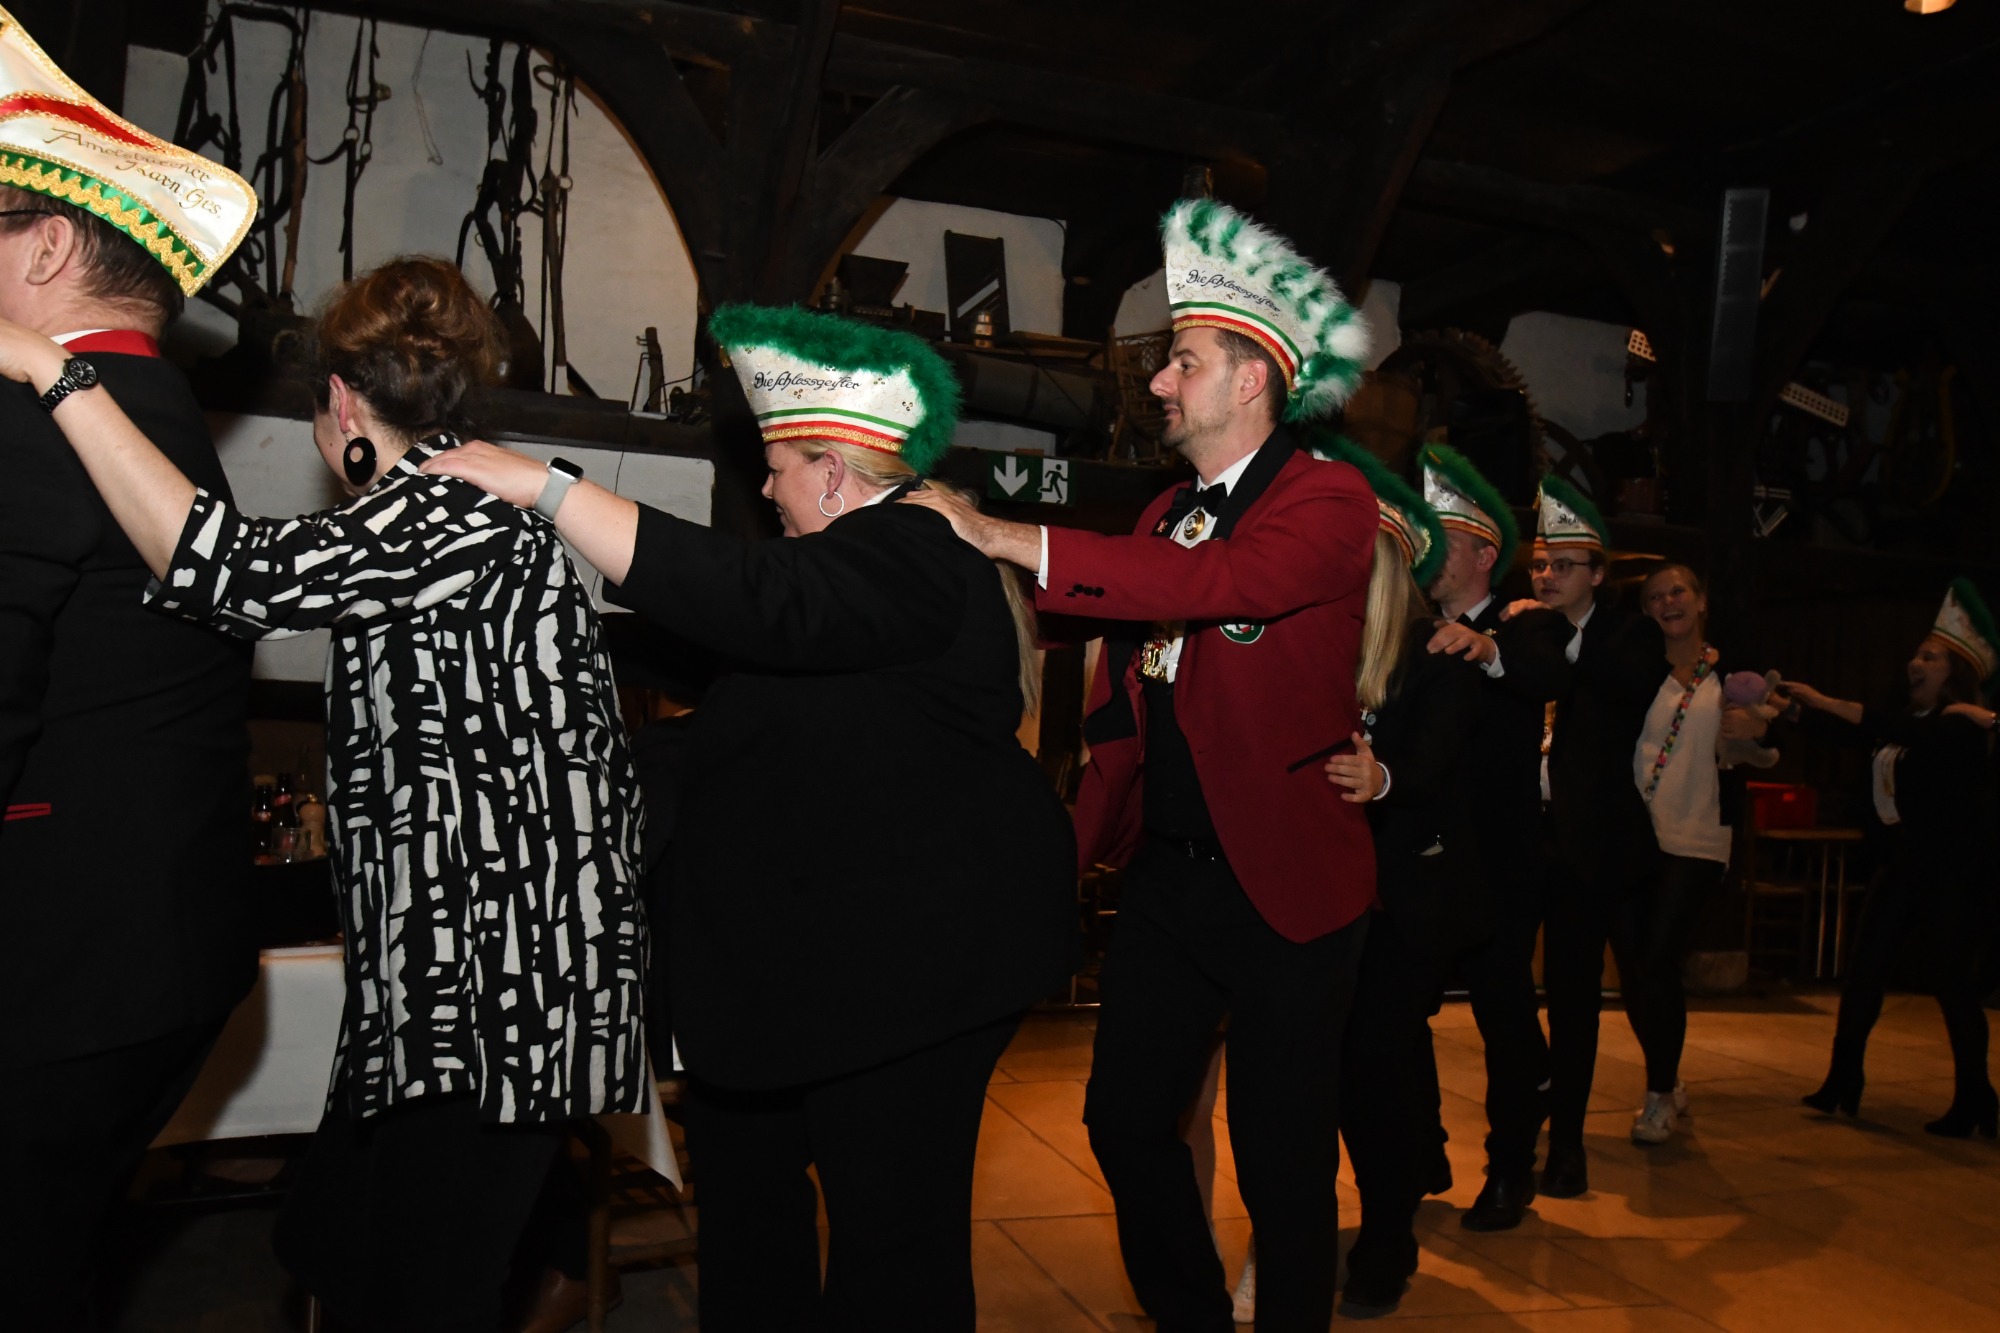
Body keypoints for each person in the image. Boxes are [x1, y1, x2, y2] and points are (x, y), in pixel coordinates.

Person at [0, 255, 651, 1333]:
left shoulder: (445, 511)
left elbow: (220, 573)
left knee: (419, 1292)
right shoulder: (454, 509)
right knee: (331, 1241)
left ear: (341, 405)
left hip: (497, 993)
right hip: (453, 985)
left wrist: (53, 369)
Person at [425, 302, 1079, 1332]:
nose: (765, 490)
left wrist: (548, 489)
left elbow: (759, 598)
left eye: (777, 470)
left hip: (913, 977)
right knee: (743, 1207)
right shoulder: (837, 585)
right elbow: (733, 680)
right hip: (792, 970)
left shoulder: (915, 543)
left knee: (890, 1246)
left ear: (833, 473)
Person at [905, 198, 1377, 1333]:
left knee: (1281, 1156)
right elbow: (1097, 613)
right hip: (1169, 877)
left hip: (1288, 885)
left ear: (1251, 379)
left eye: (1183, 361)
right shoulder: (1167, 508)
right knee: (1122, 1120)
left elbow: (1220, 586)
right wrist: (925, 557)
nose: (1160, 382)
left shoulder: (1328, 497)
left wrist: (1007, 533)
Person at [0, 23, 262, 1326]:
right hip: (152, 959)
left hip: (53, 964)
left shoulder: (35, 409)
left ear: (47, 247)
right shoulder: (159, 422)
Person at [1314, 439, 1478, 1316]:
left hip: (1405, 898)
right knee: (1342, 1071)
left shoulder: (1436, 655)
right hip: (1325, 897)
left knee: (1376, 1066)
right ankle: (1378, 1199)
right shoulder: (1321, 643)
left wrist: (1381, 778)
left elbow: (1432, 768)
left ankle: (1387, 1238)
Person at [1415, 443, 1574, 1232]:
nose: (1426, 552)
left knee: (1504, 1020)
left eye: (1441, 539)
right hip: (1418, 865)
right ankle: (1418, 1151)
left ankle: (1511, 1167)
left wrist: (1490, 652)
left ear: (1484, 554)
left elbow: (1547, 674)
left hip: (1497, 868)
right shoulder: (1408, 629)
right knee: (1391, 1013)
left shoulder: (1526, 624)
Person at [1781, 580, 1998, 1138]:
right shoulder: (1911, 722)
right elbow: (1859, 735)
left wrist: (1824, 700)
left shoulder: (1960, 727)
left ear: (1956, 672)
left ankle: (1976, 1097)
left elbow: (1880, 724)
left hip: (1950, 873)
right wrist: (1791, 710)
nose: (1913, 664)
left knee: (1953, 984)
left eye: (1929, 657)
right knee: (1865, 973)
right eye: (1916, 655)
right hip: (1901, 866)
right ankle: (1842, 1079)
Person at [1510, 477, 1664, 1198]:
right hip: (1520, 835)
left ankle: (1566, 1143)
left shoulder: (1628, 635)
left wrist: (1544, 636)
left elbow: (1619, 684)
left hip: (1588, 843)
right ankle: (1537, 1083)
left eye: (1563, 565)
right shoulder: (1518, 627)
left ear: (1598, 575)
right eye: (1540, 564)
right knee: (1502, 980)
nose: (1546, 576)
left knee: (1575, 995)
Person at [1619, 563, 1775, 1145]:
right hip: (1634, 833)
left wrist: (1756, 730)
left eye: (1678, 591)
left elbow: (1771, 735)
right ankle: (1667, 1072)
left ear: (1702, 600)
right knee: (1636, 971)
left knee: (1658, 959)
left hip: (1699, 834)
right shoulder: (1636, 669)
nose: (1669, 602)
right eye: (1655, 597)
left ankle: (1659, 1094)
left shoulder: (1736, 672)